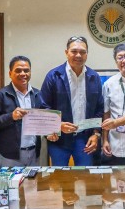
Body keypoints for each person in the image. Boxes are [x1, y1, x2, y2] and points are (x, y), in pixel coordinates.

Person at [41, 36, 104, 166]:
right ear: (66, 53)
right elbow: (44, 106)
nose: (78, 55)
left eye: (82, 52)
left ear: (87, 54)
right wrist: (57, 125)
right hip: (59, 139)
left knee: (86, 177)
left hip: (84, 138)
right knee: (60, 179)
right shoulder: (53, 76)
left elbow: (99, 108)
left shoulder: (94, 77)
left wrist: (96, 134)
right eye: (74, 51)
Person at [0, 56, 42, 167]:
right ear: (10, 73)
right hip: (9, 155)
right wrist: (11, 116)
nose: (23, 73)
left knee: (32, 184)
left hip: (34, 152)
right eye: (18, 70)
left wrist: (51, 132)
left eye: (26, 70)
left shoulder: (37, 94)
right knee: (12, 184)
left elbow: (42, 121)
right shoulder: (1, 95)